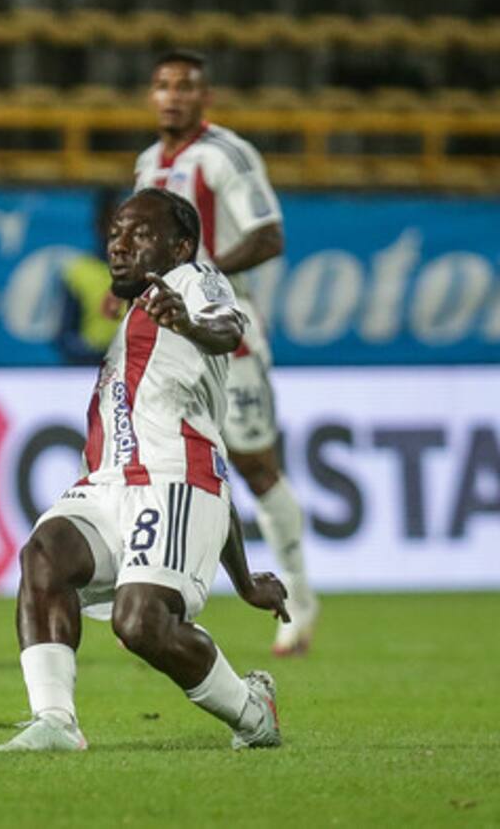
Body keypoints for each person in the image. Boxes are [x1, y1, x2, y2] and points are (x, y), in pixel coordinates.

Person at [0, 188, 289, 753]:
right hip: (109, 483)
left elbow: (227, 328)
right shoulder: (136, 316)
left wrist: (189, 322)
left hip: (173, 480)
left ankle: (253, 712)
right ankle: (55, 721)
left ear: (180, 246)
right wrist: (245, 579)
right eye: (115, 234)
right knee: (44, 555)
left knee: (141, 624)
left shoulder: (194, 280)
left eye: (140, 234)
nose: (120, 245)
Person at [133, 49, 317, 656]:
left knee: (256, 468)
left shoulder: (225, 155)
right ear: (151, 96)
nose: (173, 96)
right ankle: (156, 601)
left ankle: (299, 597)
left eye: (185, 86)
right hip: (168, 343)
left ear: (205, 97)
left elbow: (269, 235)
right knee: (160, 466)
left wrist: (201, 271)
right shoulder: (147, 164)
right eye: (163, 86)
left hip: (226, 335)